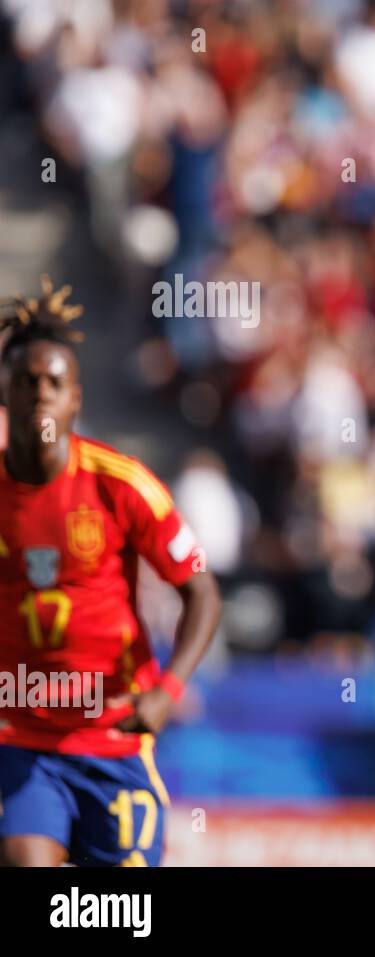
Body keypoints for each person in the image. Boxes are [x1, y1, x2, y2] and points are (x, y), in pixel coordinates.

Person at [0, 278, 222, 866]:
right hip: (23, 738)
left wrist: (169, 691)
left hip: (113, 735)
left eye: (54, 383)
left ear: (76, 398)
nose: (40, 395)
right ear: (6, 395)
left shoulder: (120, 485)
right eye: (26, 383)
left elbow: (200, 591)